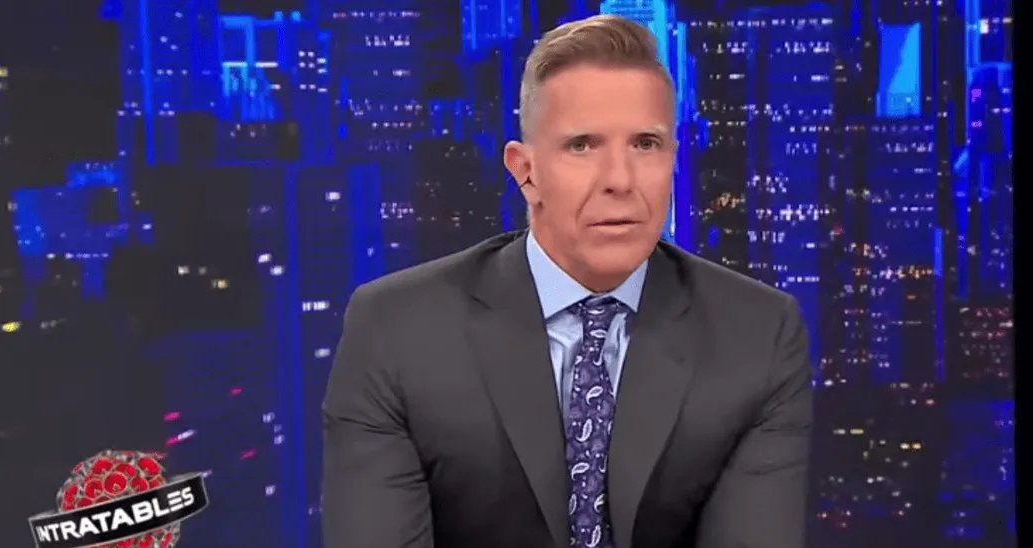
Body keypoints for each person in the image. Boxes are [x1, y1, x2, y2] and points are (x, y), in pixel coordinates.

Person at [321, 14, 813, 548]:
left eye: (646, 144)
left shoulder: (758, 334)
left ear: (673, 158)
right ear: (525, 171)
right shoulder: (397, 332)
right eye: (582, 145)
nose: (620, 180)